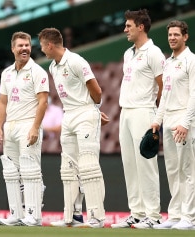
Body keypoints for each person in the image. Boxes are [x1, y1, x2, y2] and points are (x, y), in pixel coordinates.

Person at [38, 27, 105, 228]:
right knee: (68, 168)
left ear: (49, 44)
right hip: (68, 115)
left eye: (42, 46)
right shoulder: (52, 66)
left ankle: (97, 217)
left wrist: (93, 111)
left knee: (89, 166)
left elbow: (97, 92)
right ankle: (73, 216)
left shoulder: (76, 61)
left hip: (84, 113)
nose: (41, 50)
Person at [111, 9, 165, 229]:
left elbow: (163, 86)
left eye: (128, 26)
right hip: (126, 111)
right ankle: (137, 213)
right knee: (130, 165)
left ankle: (153, 216)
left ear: (140, 27)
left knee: (146, 164)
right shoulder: (127, 53)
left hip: (144, 111)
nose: (125, 29)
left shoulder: (154, 53)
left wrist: (157, 116)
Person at [0, 31, 49, 226]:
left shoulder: (38, 72)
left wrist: (35, 127)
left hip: (28, 124)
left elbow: (43, 102)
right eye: (20, 45)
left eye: (27, 45)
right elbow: (2, 102)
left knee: (30, 170)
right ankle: (16, 214)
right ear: (13, 48)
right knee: (11, 171)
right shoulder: (7, 72)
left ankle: (34, 215)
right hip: (11, 126)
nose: (24, 48)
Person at [151, 20, 195, 230]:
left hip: (184, 120)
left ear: (185, 37)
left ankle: (190, 217)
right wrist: (157, 121)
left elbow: (194, 96)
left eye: (176, 34)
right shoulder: (168, 63)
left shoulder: (191, 60)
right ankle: (176, 215)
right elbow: (165, 95)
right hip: (168, 120)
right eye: (170, 35)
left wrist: (186, 123)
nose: (172, 38)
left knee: (188, 170)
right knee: (172, 170)